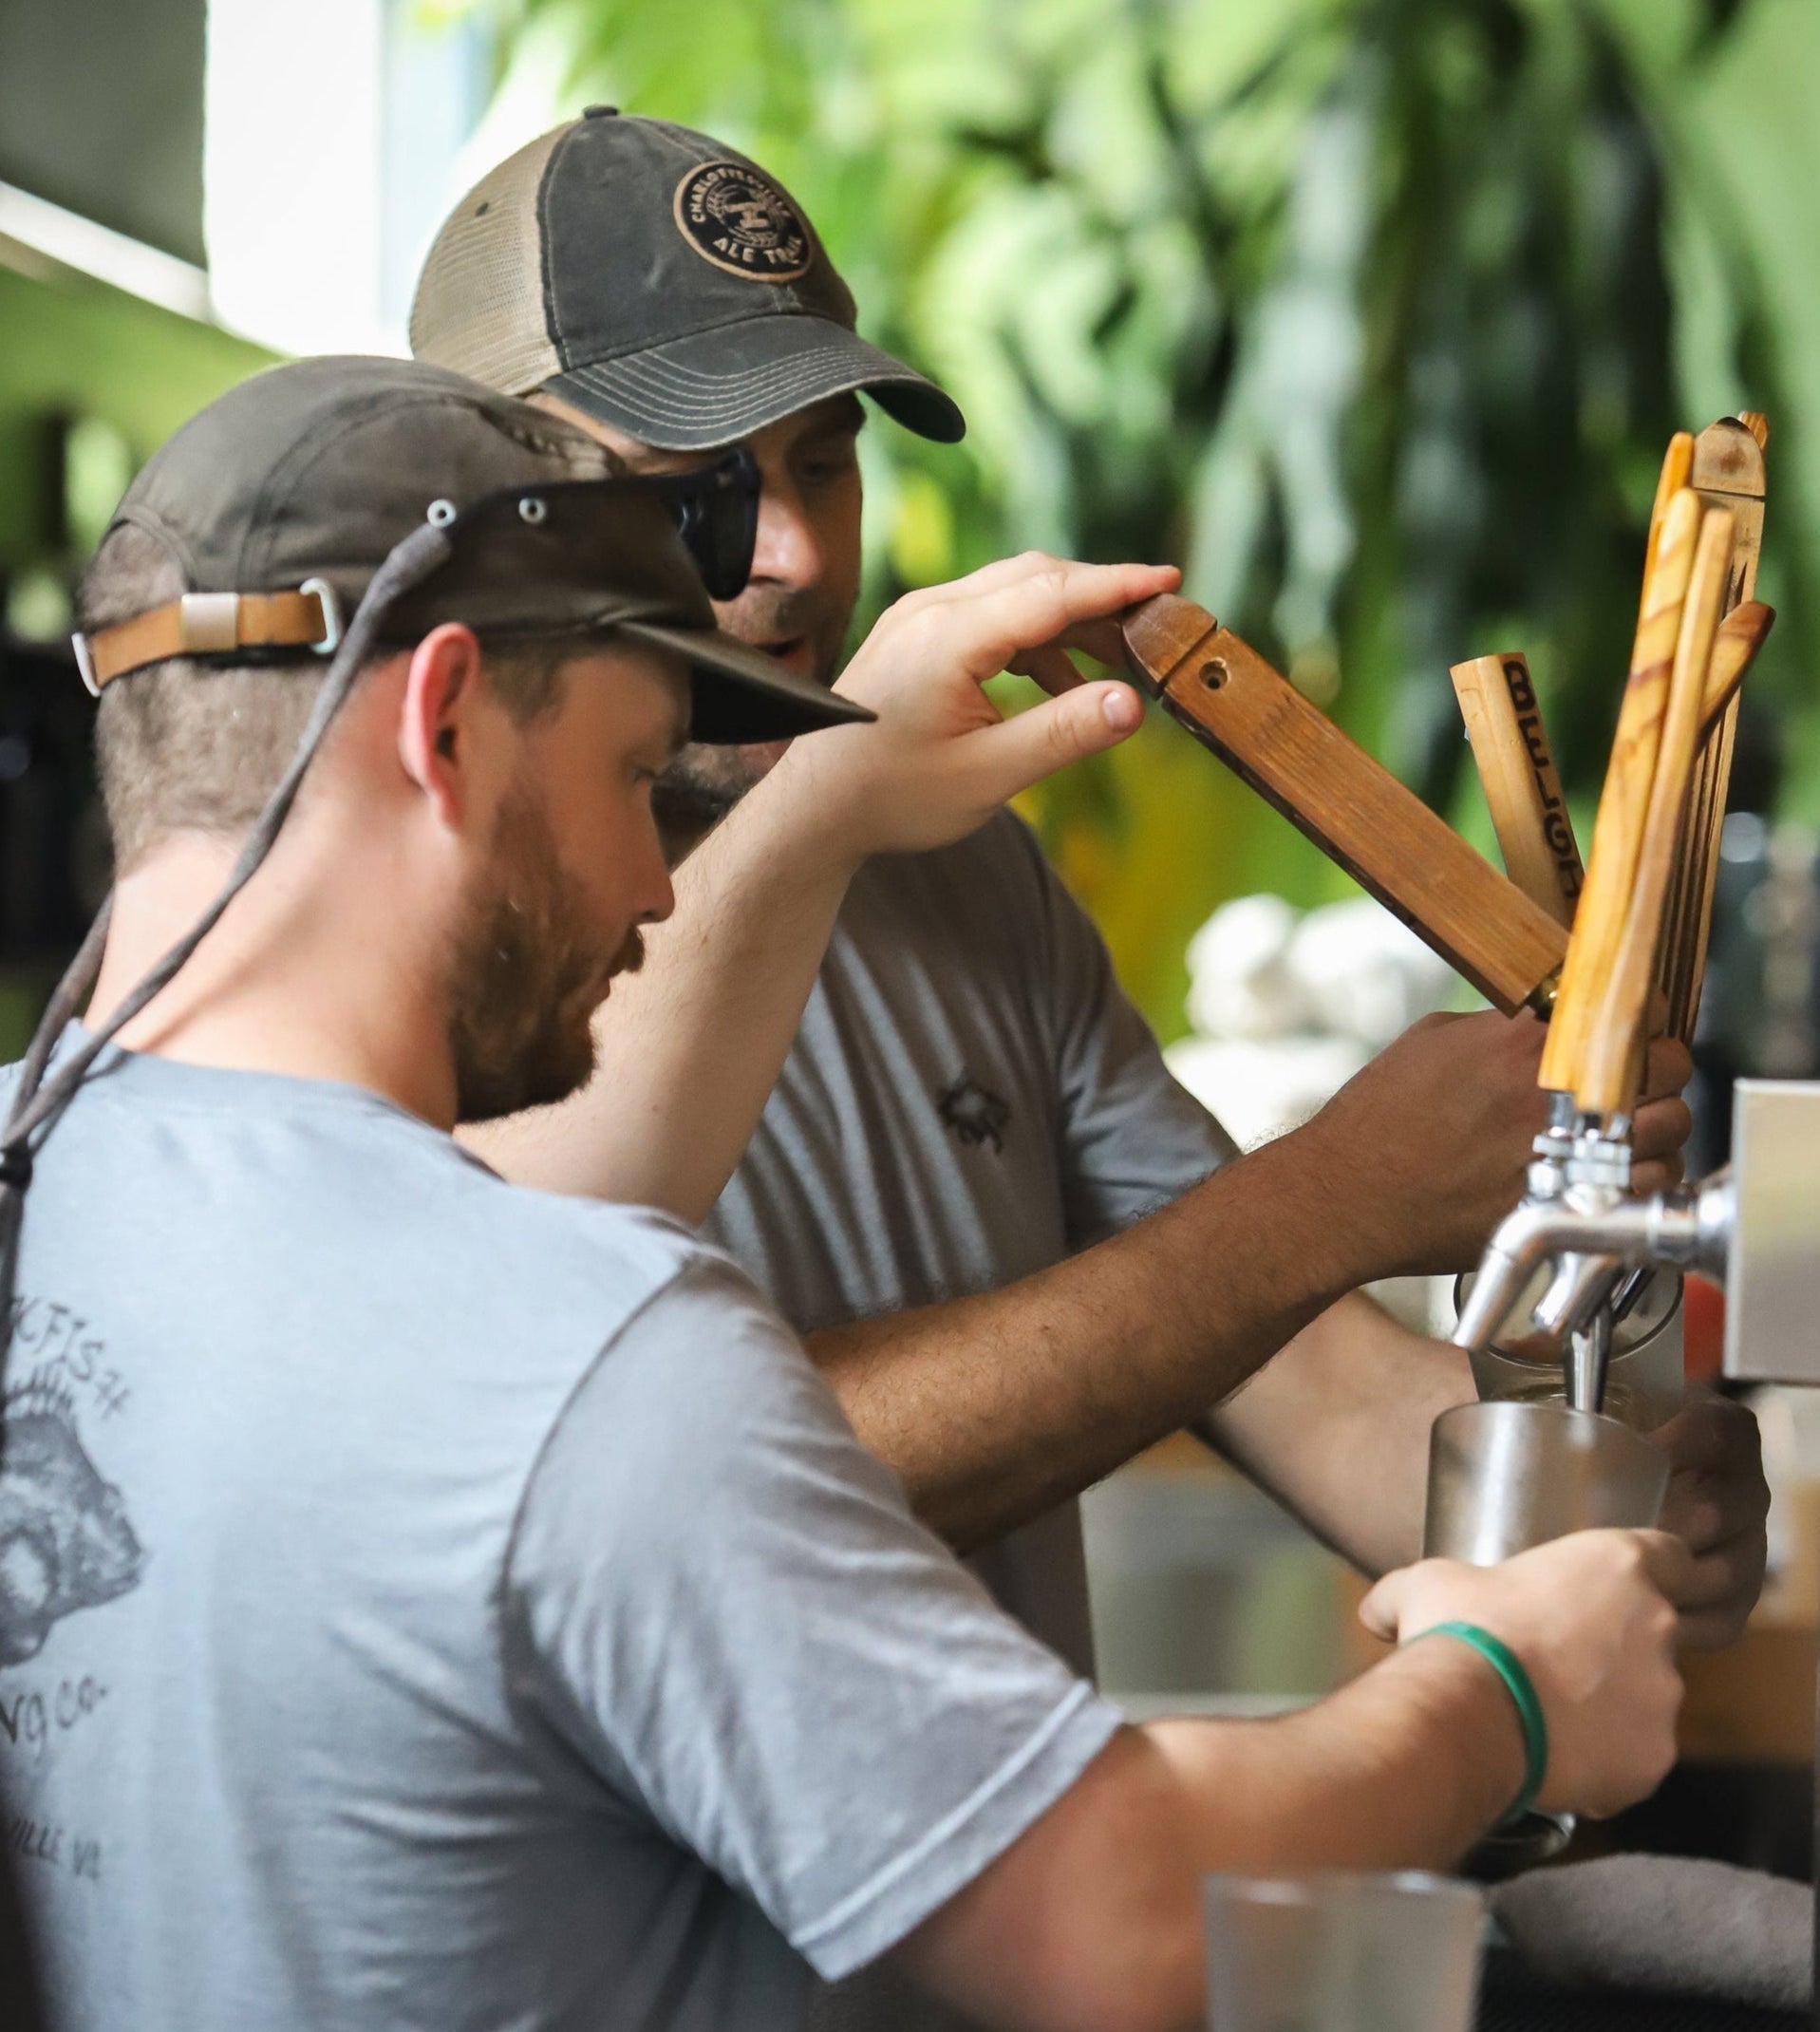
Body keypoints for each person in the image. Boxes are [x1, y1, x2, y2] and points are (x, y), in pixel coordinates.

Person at [4, 354, 1685, 2032]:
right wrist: (1504, 1695)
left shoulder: (44, 1189)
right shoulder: (582, 1355)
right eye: (623, 778)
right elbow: (1113, 1926)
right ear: (443, 727)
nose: (657, 881)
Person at [414, 121, 1764, 1638]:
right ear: (476, 525)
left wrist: (1614, 1510)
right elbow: (647, 1475)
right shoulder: (418, 936)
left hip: (1036, 1863)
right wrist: (1333, 1197)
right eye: (694, 494)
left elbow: (1290, 1373)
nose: (789, 553)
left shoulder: (969, 876)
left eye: (822, 464)